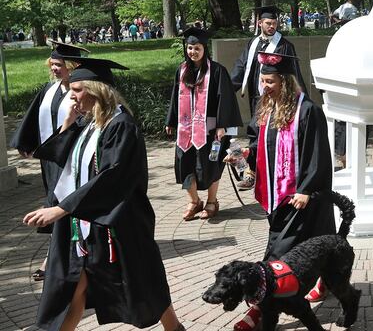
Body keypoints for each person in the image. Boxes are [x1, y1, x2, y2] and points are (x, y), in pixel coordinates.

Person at [23, 57, 183, 331]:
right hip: (86, 222)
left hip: (118, 221)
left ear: (97, 90)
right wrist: (67, 124)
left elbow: (112, 176)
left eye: (77, 90)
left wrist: (61, 209)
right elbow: (65, 164)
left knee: (143, 283)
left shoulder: (121, 125)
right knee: (75, 288)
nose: (71, 97)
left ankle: (174, 328)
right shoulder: (90, 123)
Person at [231, 51, 335, 326]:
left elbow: (318, 155)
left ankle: (259, 309)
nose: (264, 87)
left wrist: (306, 189)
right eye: (262, 81)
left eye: (270, 82)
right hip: (275, 195)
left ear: (286, 82)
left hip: (299, 196)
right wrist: (244, 154)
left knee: (278, 254)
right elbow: (261, 144)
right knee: (311, 245)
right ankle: (324, 281)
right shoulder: (266, 107)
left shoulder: (307, 111)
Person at [10, 41, 88, 280]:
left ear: (72, 66)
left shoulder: (83, 92)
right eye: (52, 64)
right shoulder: (50, 90)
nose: (54, 69)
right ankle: (62, 252)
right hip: (51, 160)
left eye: (59, 65)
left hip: (72, 157)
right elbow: (36, 116)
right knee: (56, 202)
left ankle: (52, 258)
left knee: (60, 203)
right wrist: (26, 142)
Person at [165, 28, 243, 220]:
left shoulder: (217, 71)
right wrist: (171, 120)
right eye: (190, 48)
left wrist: (222, 125)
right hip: (185, 131)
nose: (193, 52)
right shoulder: (182, 70)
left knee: (211, 165)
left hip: (209, 131)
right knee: (185, 165)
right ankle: (194, 201)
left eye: (197, 48)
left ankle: (212, 201)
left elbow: (224, 99)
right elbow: (176, 96)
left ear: (204, 48)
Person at [230, 6, 307, 112]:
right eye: (268, 23)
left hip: (276, 98)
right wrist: (229, 89)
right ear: (260, 23)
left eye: (274, 23)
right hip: (256, 96)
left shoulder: (284, 46)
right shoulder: (253, 43)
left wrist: (301, 99)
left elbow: (294, 73)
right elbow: (241, 66)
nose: (272, 26)